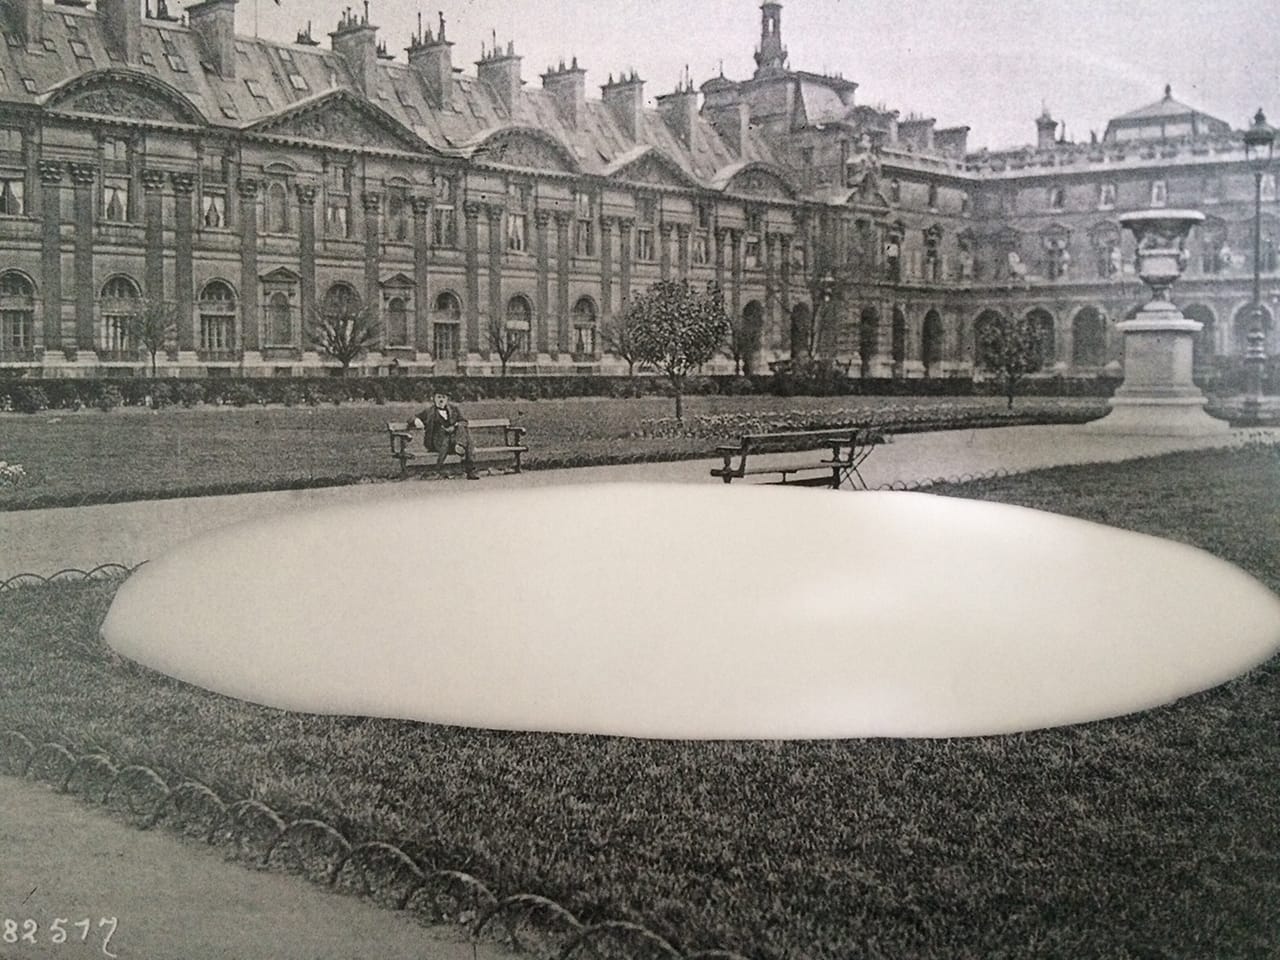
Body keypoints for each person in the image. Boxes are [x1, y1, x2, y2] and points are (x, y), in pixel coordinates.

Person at [411, 392, 479, 479]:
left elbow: (464, 421)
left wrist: (454, 426)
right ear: (434, 399)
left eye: (443, 397)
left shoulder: (454, 409)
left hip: (453, 440)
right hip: (438, 442)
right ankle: (470, 469)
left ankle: (459, 445)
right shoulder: (429, 411)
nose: (441, 400)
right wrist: (417, 421)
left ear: (447, 399)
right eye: (438, 397)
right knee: (468, 441)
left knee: (463, 429)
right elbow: (412, 418)